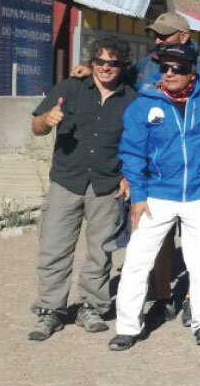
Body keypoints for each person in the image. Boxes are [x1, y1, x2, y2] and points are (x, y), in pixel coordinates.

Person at [109, 44, 200, 350]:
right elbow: (133, 153)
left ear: (192, 72)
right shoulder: (143, 104)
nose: (170, 74)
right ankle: (127, 327)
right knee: (137, 259)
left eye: (178, 68)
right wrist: (138, 195)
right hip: (157, 193)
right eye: (165, 68)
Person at [28, 36, 136, 341]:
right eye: (100, 61)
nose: (105, 67)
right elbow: (36, 126)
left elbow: (135, 144)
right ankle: (50, 310)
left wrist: (128, 176)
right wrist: (48, 120)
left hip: (106, 185)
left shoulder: (132, 100)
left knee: (101, 253)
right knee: (54, 249)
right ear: (92, 63)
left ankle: (92, 306)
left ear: (121, 65)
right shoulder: (69, 88)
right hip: (66, 181)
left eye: (112, 62)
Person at [135, 12, 200, 89]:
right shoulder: (144, 65)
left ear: (184, 36)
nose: (157, 41)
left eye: (163, 35)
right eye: (155, 36)